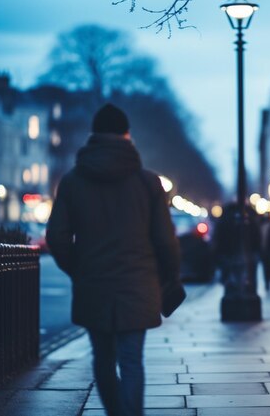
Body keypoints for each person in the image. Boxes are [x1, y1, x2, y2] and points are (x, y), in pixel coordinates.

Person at [46, 104, 180, 416]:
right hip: (138, 283)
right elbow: (165, 239)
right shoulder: (148, 183)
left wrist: (78, 269)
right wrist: (171, 275)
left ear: (93, 135)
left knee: (102, 360)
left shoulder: (72, 181)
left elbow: (57, 238)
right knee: (132, 360)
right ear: (127, 135)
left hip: (93, 283)